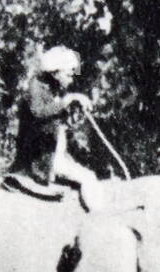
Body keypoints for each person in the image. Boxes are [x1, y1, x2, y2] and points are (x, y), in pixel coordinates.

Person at [7, 46, 105, 209]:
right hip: (43, 155)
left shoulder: (52, 86)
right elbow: (38, 112)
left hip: (55, 150)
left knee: (86, 175)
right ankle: (98, 216)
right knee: (89, 178)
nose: (71, 80)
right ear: (55, 73)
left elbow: (54, 115)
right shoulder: (36, 87)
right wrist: (66, 101)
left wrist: (71, 108)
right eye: (68, 75)